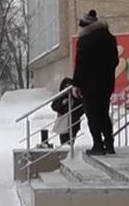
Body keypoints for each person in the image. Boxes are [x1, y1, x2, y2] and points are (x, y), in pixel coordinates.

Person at [71, 9, 120, 155]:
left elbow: (81, 64)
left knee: (92, 114)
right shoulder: (110, 38)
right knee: (103, 113)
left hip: (89, 85)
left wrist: (76, 83)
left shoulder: (85, 40)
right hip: (106, 84)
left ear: (85, 26)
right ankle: (109, 144)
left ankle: (98, 144)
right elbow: (115, 61)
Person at [50, 77, 83, 146]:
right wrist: (62, 104)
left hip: (73, 122)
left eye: (69, 85)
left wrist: (76, 114)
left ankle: (69, 150)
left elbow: (81, 108)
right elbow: (54, 106)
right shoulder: (60, 96)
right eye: (65, 86)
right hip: (63, 121)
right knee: (64, 142)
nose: (67, 87)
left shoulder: (76, 96)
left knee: (70, 141)